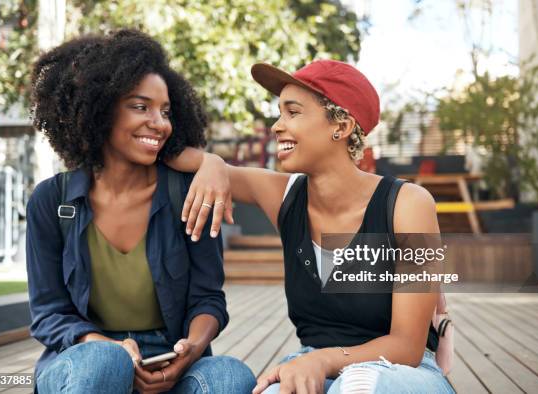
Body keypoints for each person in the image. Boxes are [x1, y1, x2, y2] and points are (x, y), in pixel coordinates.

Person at [166, 60, 455, 393]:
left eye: (293, 112)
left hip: (400, 372)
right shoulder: (283, 195)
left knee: (358, 386)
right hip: (313, 364)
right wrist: (212, 162)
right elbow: (165, 150)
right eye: (279, 113)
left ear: (341, 126)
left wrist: (322, 361)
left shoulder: (411, 203)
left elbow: (408, 346)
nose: (277, 125)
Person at [26, 29, 255, 394]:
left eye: (165, 111)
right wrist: (103, 344)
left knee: (230, 375)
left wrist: (191, 349)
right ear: (99, 109)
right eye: (140, 106)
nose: (159, 123)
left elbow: (207, 299)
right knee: (107, 361)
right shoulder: (51, 202)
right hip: (85, 358)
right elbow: (48, 313)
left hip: (169, 359)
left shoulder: (188, 193)